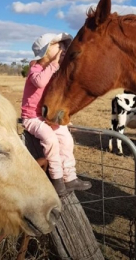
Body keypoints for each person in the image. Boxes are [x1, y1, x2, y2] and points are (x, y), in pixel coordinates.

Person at [21, 33, 92, 197]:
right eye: (59, 46)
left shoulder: (55, 72)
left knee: (66, 139)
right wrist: (53, 65)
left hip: (49, 116)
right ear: (45, 51)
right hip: (32, 117)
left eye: (64, 47)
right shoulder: (35, 68)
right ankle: (57, 179)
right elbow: (39, 82)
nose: (63, 49)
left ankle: (70, 177)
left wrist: (63, 118)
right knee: (51, 140)